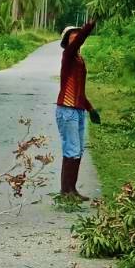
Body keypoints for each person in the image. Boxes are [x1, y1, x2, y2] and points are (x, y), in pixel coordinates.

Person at [55, 20, 100, 201]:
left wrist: (91, 109)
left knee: (78, 150)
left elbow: (80, 91)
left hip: (78, 110)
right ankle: (66, 191)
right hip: (67, 109)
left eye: (77, 34)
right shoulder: (68, 54)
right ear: (68, 41)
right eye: (72, 35)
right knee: (72, 149)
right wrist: (91, 23)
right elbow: (80, 39)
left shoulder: (79, 60)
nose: (76, 37)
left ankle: (71, 190)